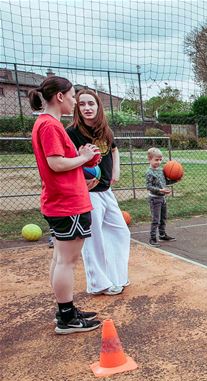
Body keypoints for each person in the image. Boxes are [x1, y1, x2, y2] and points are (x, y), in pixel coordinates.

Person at [29, 76, 101, 334]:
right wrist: (82, 158)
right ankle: (67, 318)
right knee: (66, 262)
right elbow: (56, 164)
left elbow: (61, 165)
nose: (74, 102)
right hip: (67, 203)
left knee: (61, 258)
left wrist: (83, 167)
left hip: (63, 198)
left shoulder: (46, 124)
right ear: (59, 96)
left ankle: (65, 309)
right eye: (72, 97)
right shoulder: (50, 126)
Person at [66, 89, 129, 296]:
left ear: (98, 106)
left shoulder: (104, 130)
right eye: (82, 104)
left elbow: (114, 149)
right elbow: (68, 161)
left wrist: (116, 171)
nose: (87, 108)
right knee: (94, 239)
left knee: (121, 231)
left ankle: (117, 276)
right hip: (88, 192)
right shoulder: (72, 132)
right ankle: (99, 284)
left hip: (106, 190)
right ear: (77, 107)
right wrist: (81, 181)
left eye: (90, 104)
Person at [145, 147, 176, 247]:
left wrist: (176, 179)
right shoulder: (149, 172)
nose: (158, 162)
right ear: (149, 159)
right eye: (156, 160)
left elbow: (165, 182)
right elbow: (148, 186)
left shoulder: (161, 171)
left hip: (162, 198)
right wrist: (160, 190)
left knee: (163, 218)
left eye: (160, 160)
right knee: (156, 220)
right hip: (154, 199)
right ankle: (152, 238)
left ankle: (162, 234)